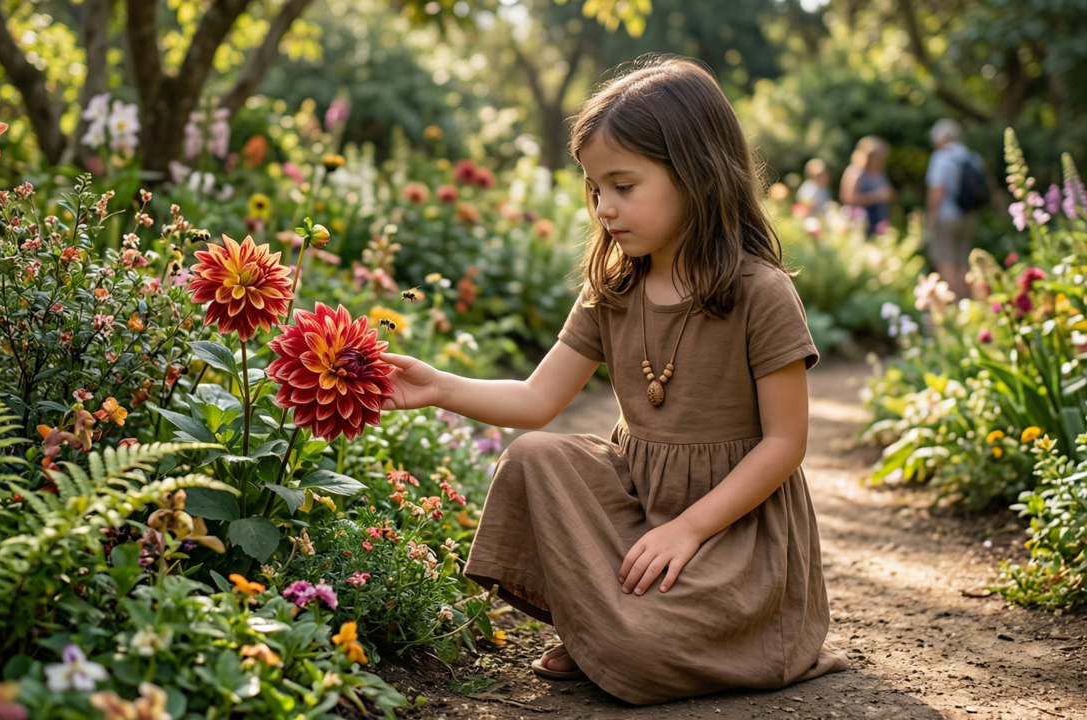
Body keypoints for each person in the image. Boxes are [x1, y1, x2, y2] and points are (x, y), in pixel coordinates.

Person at [375, 56, 847, 706]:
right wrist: (438, 387)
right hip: (638, 511)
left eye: (624, 186)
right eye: (595, 188)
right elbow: (536, 400)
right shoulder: (614, 288)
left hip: (732, 537)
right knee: (534, 458)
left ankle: (627, 632)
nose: (604, 208)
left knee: (640, 653)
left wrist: (688, 529)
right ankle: (610, 625)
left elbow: (785, 445)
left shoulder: (758, 292)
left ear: (698, 174)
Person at [925, 118, 980, 299]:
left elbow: (937, 190)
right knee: (963, 260)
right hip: (969, 215)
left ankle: (953, 302)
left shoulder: (941, 157)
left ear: (940, 139)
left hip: (946, 216)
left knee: (946, 259)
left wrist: (931, 218)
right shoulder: (972, 157)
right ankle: (966, 300)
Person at [839, 136, 894, 237]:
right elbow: (848, 198)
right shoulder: (855, 172)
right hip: (859, 224)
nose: (881, 160)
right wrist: (877, 196)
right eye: (877, 157)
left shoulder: (880, 173)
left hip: (878, 223)